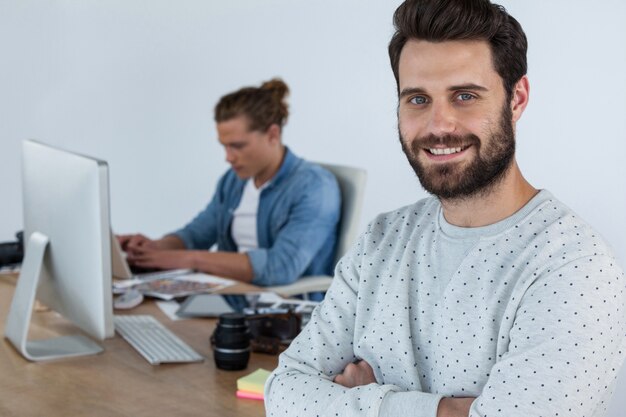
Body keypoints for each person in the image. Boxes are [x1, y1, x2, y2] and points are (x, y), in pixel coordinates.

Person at [265, 1, 625, 416]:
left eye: (465, 96)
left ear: (517, 99)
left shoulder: (575, 268)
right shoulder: (381, 240)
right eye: (418, 99)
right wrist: (445, 410)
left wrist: (355, 402)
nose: (439, 125)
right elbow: (283, 392)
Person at [119, 78, 341, 287]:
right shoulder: (234, 181)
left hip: (281, 313)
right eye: (224, 146)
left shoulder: (315, 187)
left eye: (238, 146)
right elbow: (196, 235)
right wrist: (153, 249)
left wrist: (191, 260)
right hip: (229, 297)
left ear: (273, 135)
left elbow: (280, 267)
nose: (228, 157)